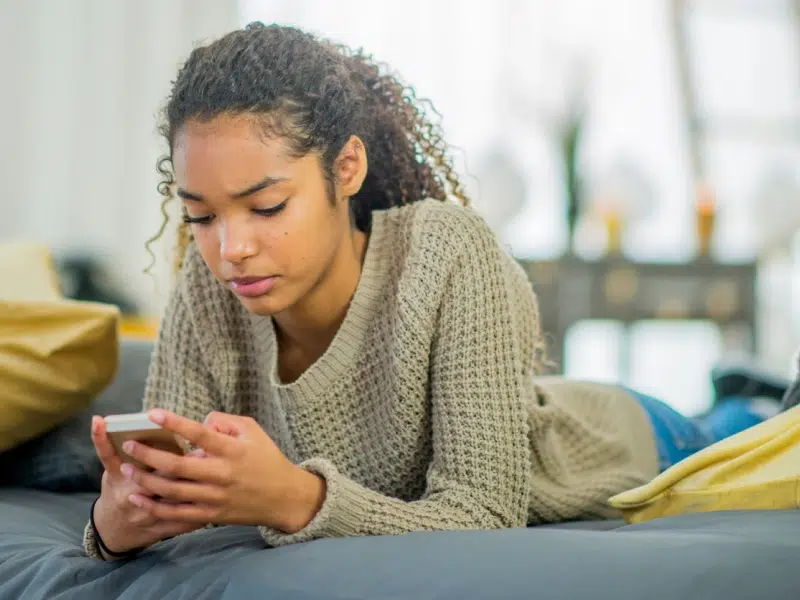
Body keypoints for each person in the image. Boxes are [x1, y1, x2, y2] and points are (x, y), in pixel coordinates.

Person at [84, 22, 772, 561]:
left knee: (741, 432)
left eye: (266, 208)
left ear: (346, 168)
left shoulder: (445, 254)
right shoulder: (207, 292)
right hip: (555, 418)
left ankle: (742, 395)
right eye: (200, 216)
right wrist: (118, 521)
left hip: (620, 442)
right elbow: (155, 514)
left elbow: (484, 515)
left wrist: (294, 498)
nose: (230, 249)